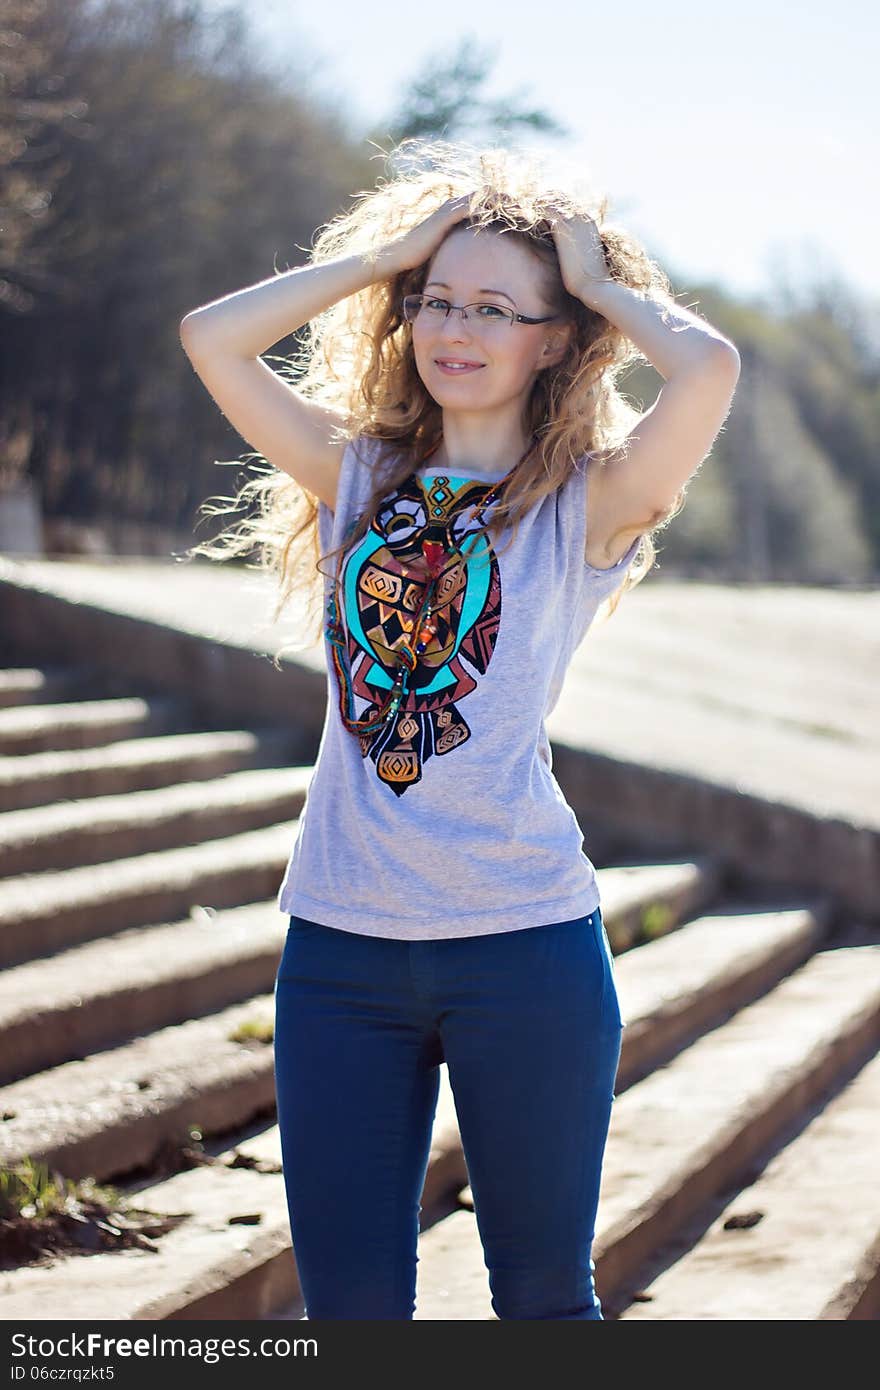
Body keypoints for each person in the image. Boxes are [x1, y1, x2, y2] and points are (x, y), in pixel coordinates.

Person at [179, 140, 740, 1320]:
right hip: (338, 952)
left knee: (541, 1296)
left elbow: (708, 368)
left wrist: (600, 286)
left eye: (495, 307)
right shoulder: (357, 479)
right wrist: (385, 254)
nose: (454, 325)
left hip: (522, 946)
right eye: (437, 300)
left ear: (554, 340)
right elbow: (210, 338)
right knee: (351, 1309)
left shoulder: (587, 503)